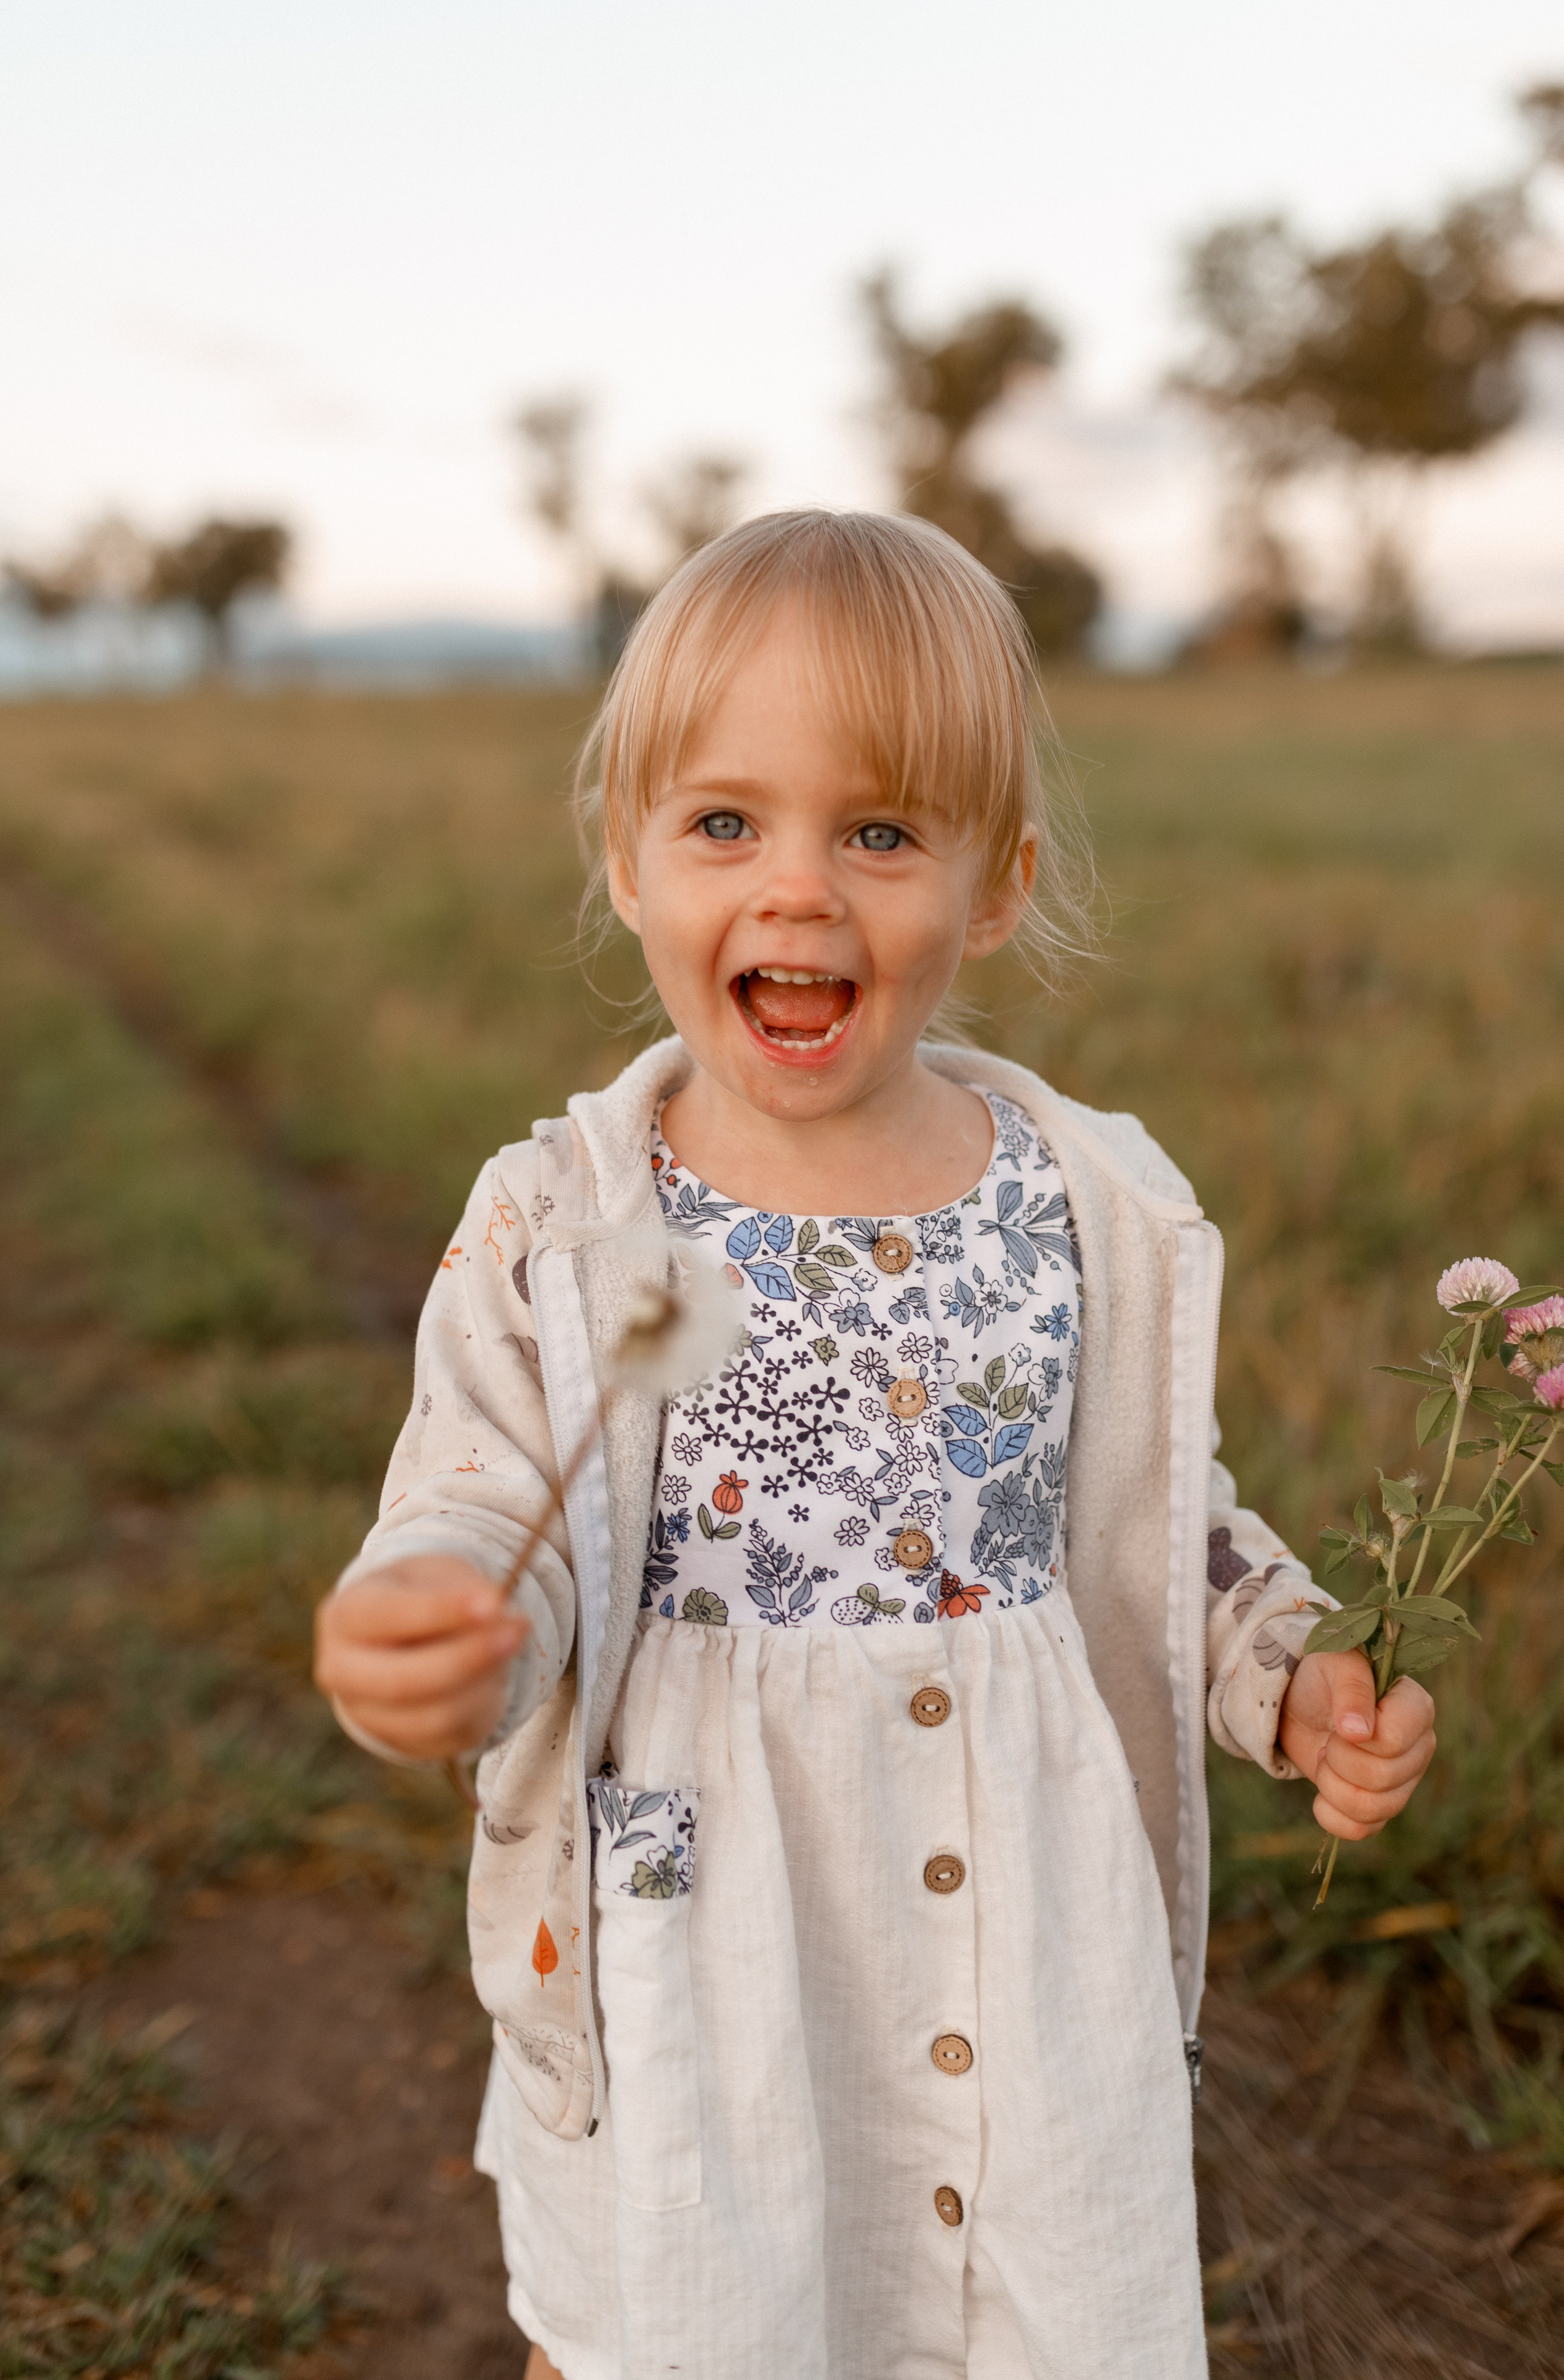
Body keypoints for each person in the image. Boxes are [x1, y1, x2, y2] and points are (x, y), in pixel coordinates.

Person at [313, 511, 1438, 2380]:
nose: (802, 893)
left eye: (884, 833)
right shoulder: (567, 1221)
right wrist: (425, 1611)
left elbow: (1166, 1514)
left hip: (1021, 1897)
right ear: (629, 859)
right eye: (727, 824)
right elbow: (479, 1479)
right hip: (705, 1912)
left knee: (1013, 2288)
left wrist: (1282, 1673)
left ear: (995, 886)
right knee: (684, 2293)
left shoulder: (1079, 1203)